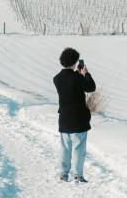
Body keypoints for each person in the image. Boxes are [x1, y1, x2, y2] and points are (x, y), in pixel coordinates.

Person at [53, 47, 96, 183]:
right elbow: (91, 87)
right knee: (78, 149)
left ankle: (63, 174)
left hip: (64, 119)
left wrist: (77, 74)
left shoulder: (57, 78)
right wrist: (85, 74)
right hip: (78, 119)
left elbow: (70, 83)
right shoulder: (77, 78)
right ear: (74, 62)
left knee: (65, 148)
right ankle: (77, 175)